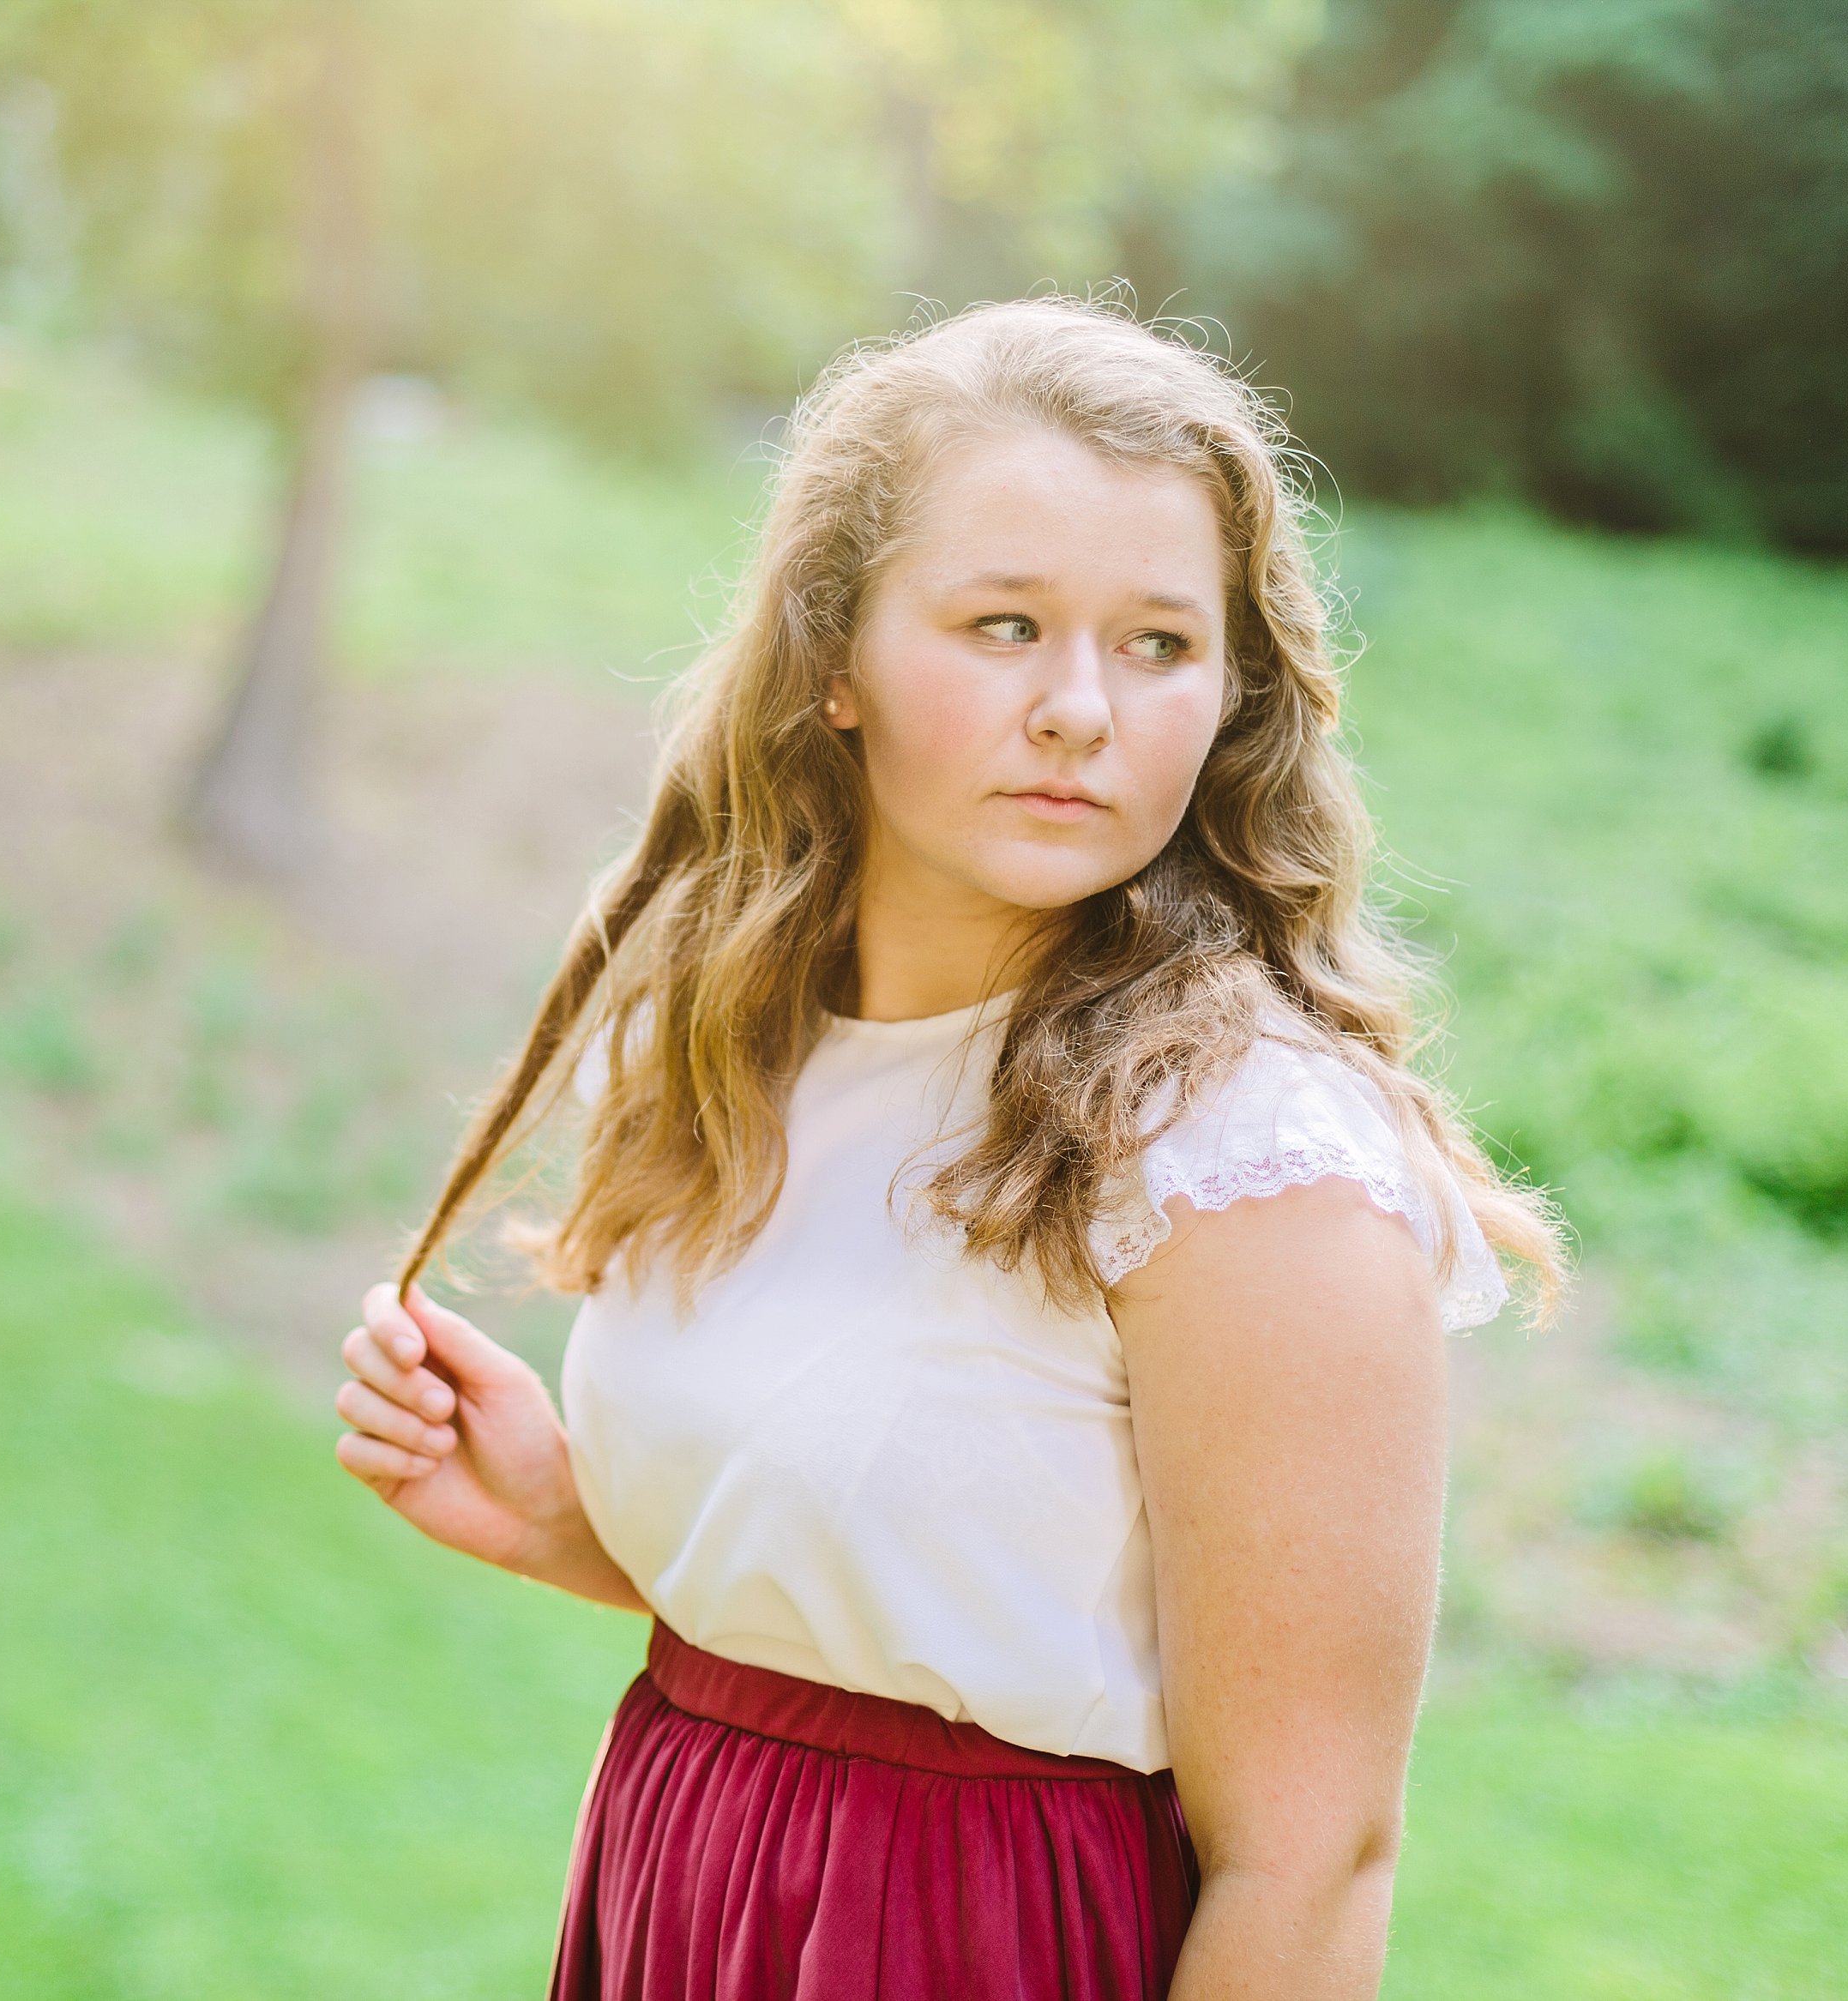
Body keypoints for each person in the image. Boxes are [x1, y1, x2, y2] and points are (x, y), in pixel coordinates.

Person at [331, 296, 1568, 2001]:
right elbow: (934, 1587)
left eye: (1156, 644)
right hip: (693, 1887)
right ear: (832, 661)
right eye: (1004, 625)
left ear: (1229, 694)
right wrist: (573, 1517)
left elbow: (1310, 1862)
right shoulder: (750, 1043)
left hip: (983, 1946)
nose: (1080, 709)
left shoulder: (1244, 1160)